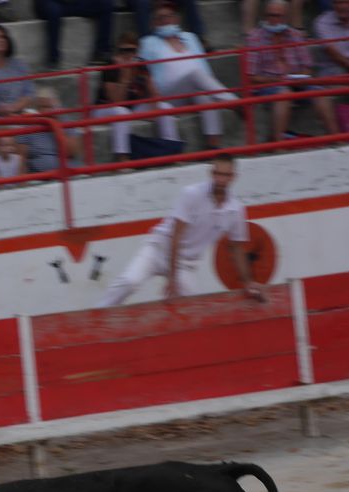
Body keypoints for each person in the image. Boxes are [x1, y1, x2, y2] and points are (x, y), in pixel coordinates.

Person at [98, 155, 262, 307]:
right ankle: (99, 316)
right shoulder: (191, 194)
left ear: (233, 177)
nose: (220, 179)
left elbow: (238, 248)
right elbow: (176, 236)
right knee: (129, 282)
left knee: (193, 307)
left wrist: (248, 282)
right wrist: (172, 277)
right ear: (211, 173)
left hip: (186, 264)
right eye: (217, 174)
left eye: (225, 175)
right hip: (158, 250)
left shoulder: (236, 210)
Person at [139, 3, 239, 149]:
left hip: (192, 91)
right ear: (154, 23)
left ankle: (213, 145)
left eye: (169, 16)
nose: (165, 20)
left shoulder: (191, 38)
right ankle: (234, 102)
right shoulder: (148, 43)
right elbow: (144, 73)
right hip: (167, 95)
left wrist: (210, 89)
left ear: (177, 19)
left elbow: (205, 69)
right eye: (160, 18)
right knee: (195, 75)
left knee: (204, 94)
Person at [248, 0, 338, 142]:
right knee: (284, 93)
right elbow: (252, 76)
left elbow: (307, 65)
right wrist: (279, 80)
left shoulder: (295, 35)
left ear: (286, 17)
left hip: (297, 81)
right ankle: (278, 145)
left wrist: (300, 77)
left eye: (278, 16)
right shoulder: (255, 38)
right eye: (270, 15)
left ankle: (337, 139)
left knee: (321, 92)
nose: (274, 20)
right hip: (270, 84)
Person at [94, 31, 181, 162]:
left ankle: (172, 150)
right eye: (124, 50)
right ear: (118, 50)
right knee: (120, 112)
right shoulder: (110, 65)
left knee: (165, 107)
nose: (128, 54)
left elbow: (155, 95)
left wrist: (155, 106)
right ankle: (122, 158)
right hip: (104, 109)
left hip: (132, 107)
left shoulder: (141, 65)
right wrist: (125, 76)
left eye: (132, 50)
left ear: (137, 51)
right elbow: (116, 101)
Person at [32, 0, 115, 70]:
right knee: (53, 11)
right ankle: (53, 60)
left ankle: (101, 52)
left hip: (72, 3)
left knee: (105, 4)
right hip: (50, 3)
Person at [19, 87, 84, 172]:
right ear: (37, 108)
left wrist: (56, 126)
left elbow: (72, 152)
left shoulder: (66, 120)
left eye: (50, 107)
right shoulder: (29, 124)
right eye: (43, 107)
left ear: (57, 106)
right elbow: (21, 158)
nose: (47, 111)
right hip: (40, 175)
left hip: (67, 171)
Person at [314, 0, 349, 78]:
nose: (342, 6)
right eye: (338, 3)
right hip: (333, 67)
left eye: (346, 2)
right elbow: (332, 52)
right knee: (338, 73)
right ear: (332, 4)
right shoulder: (322, 22)